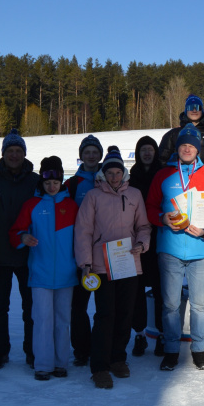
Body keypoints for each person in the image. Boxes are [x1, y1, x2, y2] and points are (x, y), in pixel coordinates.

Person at [146, 124, 204, 371]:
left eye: (192, 146)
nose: (187, 149)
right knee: (171, 304)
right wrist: (161, 218)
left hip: (200, 248)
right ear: (178, 148)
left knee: (199, 304)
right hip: (170, 249)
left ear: (198, 149)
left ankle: (199, 348)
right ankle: (171, 349)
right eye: (183, 145)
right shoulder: (163, 175)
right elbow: (149, 206)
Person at [75, 148, 152, 388]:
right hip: (101, 265)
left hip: (128, 263)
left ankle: (118, 358)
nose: (115, 177)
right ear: (103, 173)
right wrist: (85, 263)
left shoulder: (135, 194)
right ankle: (100, 366)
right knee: (105, 315)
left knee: (125, 314)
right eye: (110, 172)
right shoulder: (93, 196)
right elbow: (83, 231)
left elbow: (144, 226)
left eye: (119, 172)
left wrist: (142, 244)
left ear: (124, 172)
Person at [9, 156, 79, 381]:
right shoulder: (32, 205)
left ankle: (60, 363)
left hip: (67, 275)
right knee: (41, 320)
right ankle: (43, 365)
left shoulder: (71, 206)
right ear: (42, 181)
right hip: (40, 274)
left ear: (61, 182)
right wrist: (24, 237)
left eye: (56, 182)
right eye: (47, 182)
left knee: (62, 321)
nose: (51, 186)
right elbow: (15, 232)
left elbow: (83, 236)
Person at [0, 129, 40, 370]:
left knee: (32, 307)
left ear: (24, 154)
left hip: (30, 256)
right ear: (3, 153)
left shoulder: (36, 182)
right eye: (10, 151)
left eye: (18, 151)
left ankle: (33, 351)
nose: (14, 155)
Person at [65, 134, 104, 366]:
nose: (91, 155)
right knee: (77, 306)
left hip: (104, 253)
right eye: (87, 152)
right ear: (81, 156)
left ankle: (100, 345)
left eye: (94, 152)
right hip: (79, 254)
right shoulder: (71, 184)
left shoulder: (108, 178)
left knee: (104, 305)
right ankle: (81, 349)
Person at [129, 136, 166, 357]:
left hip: (160, 237)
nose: (146, 153)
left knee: (161, 290)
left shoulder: (163, 174)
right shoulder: (131, 177)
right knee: (137, 291)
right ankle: (140, 334)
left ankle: (162, 334)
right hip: (137, 241)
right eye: (143, 149)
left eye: (150, 149)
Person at [158, 94, 204, 163]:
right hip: (179, 172)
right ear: (186, 110)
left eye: (198, 107)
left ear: (202, 111)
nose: (194, 110)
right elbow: (162, 159)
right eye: (191, 107)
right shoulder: (173, 134)